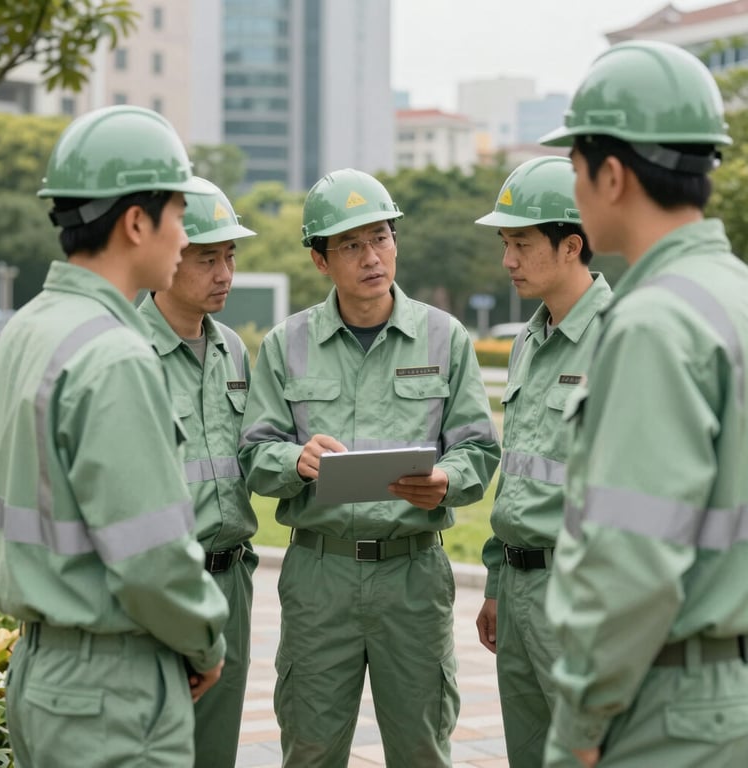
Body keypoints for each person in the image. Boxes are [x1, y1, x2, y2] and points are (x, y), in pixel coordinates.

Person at [0, 105, 229, 768]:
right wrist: (205, 641)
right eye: (179, 213)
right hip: (111, 693)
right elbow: (153, 558)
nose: (185, 235)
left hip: (38, 674)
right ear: (137, 221)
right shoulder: (114, 356)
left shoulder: (18, 335)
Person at [238, 167, 500, 767]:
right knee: (310, 747)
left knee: (421, 747)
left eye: (381, 237)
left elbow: (478, 450)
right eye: (351, 245)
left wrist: (446, 482)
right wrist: (295, 460)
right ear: (320, 260)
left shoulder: (444, 337)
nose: (372, 256)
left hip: (413, 578)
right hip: (318, 576)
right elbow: (254, 453)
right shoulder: (287, 344)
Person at [537, 39, 748, 768]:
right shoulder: (734, 296)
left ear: (614, 174)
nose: (575, 187)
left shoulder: (655, 322)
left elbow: (632, 556)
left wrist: (579, 725)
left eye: (574, 168)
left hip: (667, 709)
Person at [473, 156, 611, 767]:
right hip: (521, 589)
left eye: (521, 243)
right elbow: (519, 475)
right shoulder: (530, 338)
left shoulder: (619, 336)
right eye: (505, 243)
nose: (508, 261)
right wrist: (498, 584)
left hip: (580, 596)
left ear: (570, 246)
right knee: (529, 753)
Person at [138, 178, 258, 768]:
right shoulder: (127, 352)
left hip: (230, 582)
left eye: (230, 257)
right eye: (208, 258)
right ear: (168, 257)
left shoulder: (233, 350)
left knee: (215, 753)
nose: (224, 274)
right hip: (159, 584)